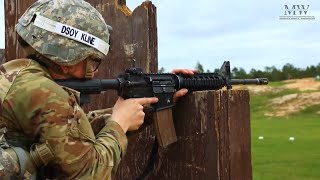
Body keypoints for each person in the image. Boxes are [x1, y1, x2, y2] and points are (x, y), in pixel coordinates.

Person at [0, 0, 194, 179]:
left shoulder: (19, 74)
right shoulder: (45, 93)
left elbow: (70, 135)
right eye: (93, 60)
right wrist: (119, 124)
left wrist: (148, 106)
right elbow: (91, 174)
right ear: (69, 58)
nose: (93, 71)